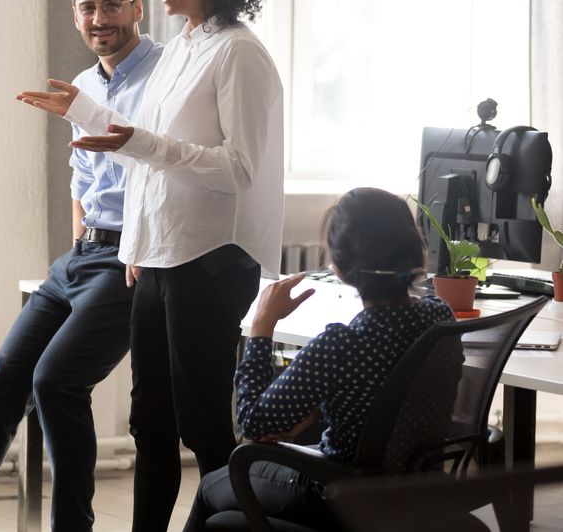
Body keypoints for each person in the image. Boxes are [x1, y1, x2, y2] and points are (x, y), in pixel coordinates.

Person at [17, 0, 285, 530]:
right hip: (157, 259)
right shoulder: (187, 46)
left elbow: (237, 169)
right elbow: (144, 151)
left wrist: (134, 143)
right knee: (150, 424)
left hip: (211, 259)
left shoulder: (240, 54)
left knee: (202, 425)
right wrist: (85, 114)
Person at [0, 0, 163, 532]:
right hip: (82, 257)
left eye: (111, 4)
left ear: (137, 6)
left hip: (131, 259)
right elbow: (82, 175)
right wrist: (78, 239)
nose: (99, 17)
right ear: (75, 16)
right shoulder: (82, 84)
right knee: (0, 382)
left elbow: (160, 168)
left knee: (55, 381)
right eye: (87, 7)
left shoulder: (166, 75)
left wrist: (118, 248)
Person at [183, 187, 456, 529]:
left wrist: (262, 326)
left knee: (212, 487)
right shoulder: (439, 317)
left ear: (339, 268)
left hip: (338, 495)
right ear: (416, 251)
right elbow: (386, 390)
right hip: (416, 490)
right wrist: (317, 407)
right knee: (225, 520)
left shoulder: (342, 344)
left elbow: (253, 425)